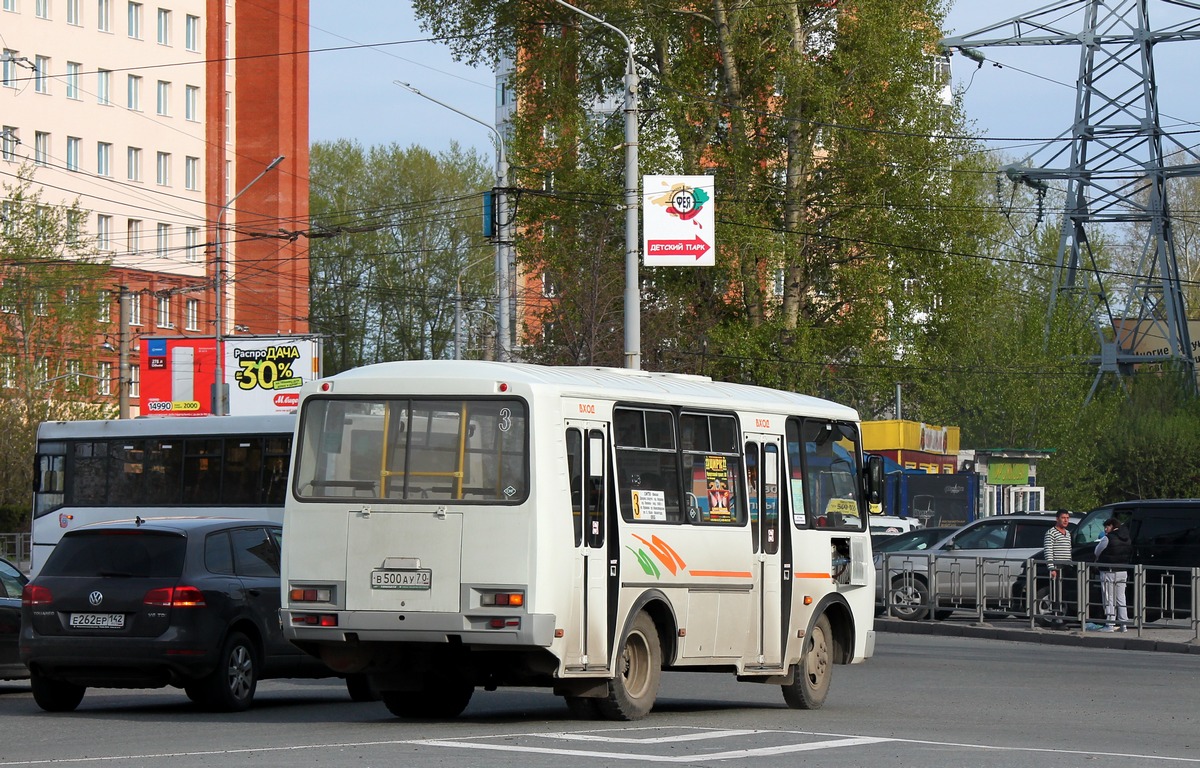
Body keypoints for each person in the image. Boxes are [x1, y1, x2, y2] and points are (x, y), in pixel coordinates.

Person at [1094, 517, 1131, 632]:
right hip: (1123, 571)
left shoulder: (1107, 538)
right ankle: (1123, 624)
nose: (1105, 529)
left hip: (1108, 571)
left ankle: (1110, 624)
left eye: (1107, 526)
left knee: (1109, 597)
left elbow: (1096, 551)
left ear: (1112, 526)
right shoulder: (1127, 538)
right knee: (1121, 598)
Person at [1042, 510, 1074, 625]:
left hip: (1067, 566)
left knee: (1065, 593)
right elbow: (1048, 551)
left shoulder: (1068, 533)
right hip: (1057, 567)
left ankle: (1064, 617)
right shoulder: (1051, 533)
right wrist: (1051, 568)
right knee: (1056, 593)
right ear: (1057, 519)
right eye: (1063, 518)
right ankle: (1056, 618)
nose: (1066, 520)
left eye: (1067, 518)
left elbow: (1069, 550)